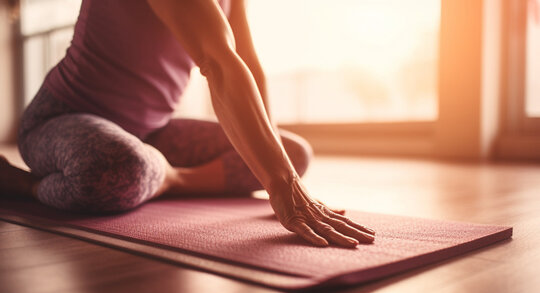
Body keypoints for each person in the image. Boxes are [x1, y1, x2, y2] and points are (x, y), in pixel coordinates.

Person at [0, 0, 375, 247]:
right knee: (116, 170)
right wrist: (280, 184)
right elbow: (217, 61)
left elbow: (245, 60)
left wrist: (279, 175)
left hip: (152, 132)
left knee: (291, 152)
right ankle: (23, 184)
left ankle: (163, 177)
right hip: (62, 117)